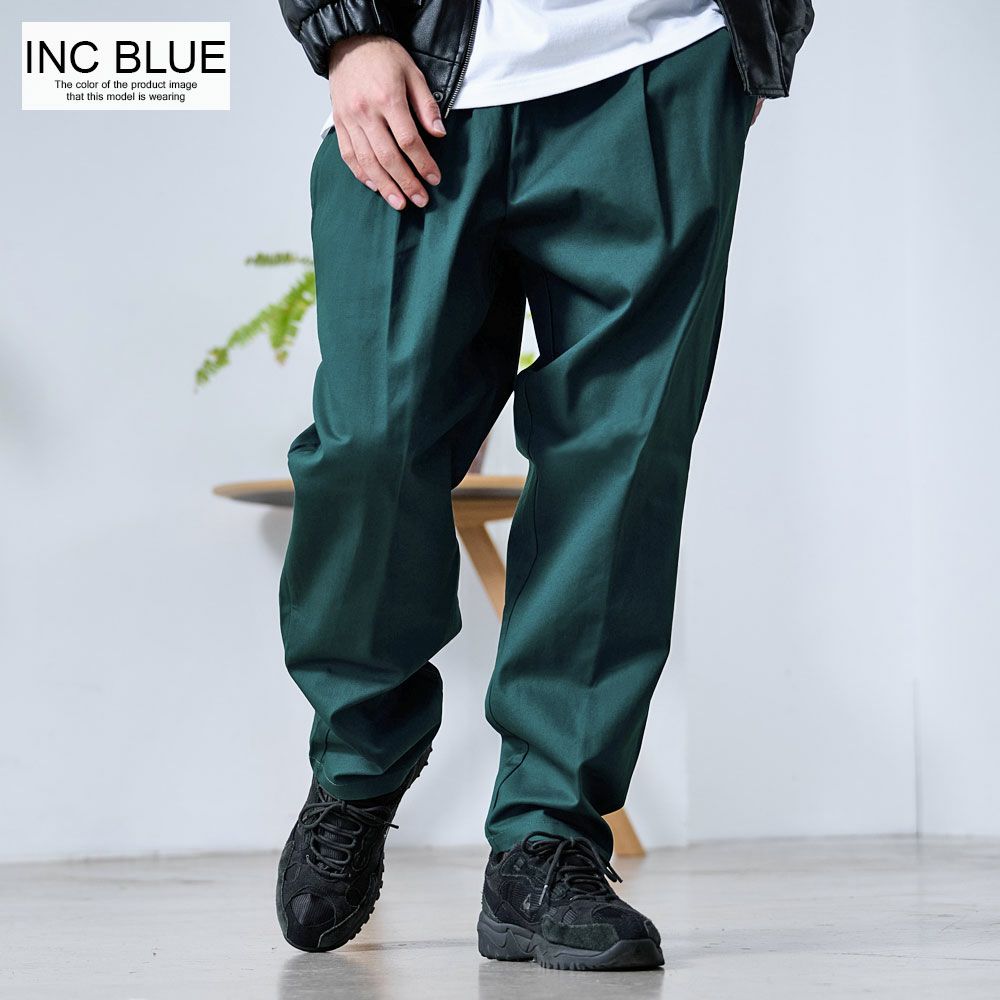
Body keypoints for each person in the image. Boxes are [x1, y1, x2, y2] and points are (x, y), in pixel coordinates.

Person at [274, 0, 813, 971]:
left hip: (664, 57)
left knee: (619, 462)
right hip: (423, 65)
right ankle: (358, 757)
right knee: (371, 442)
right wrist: (345, 30)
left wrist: (758, 36)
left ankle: (546, 837)